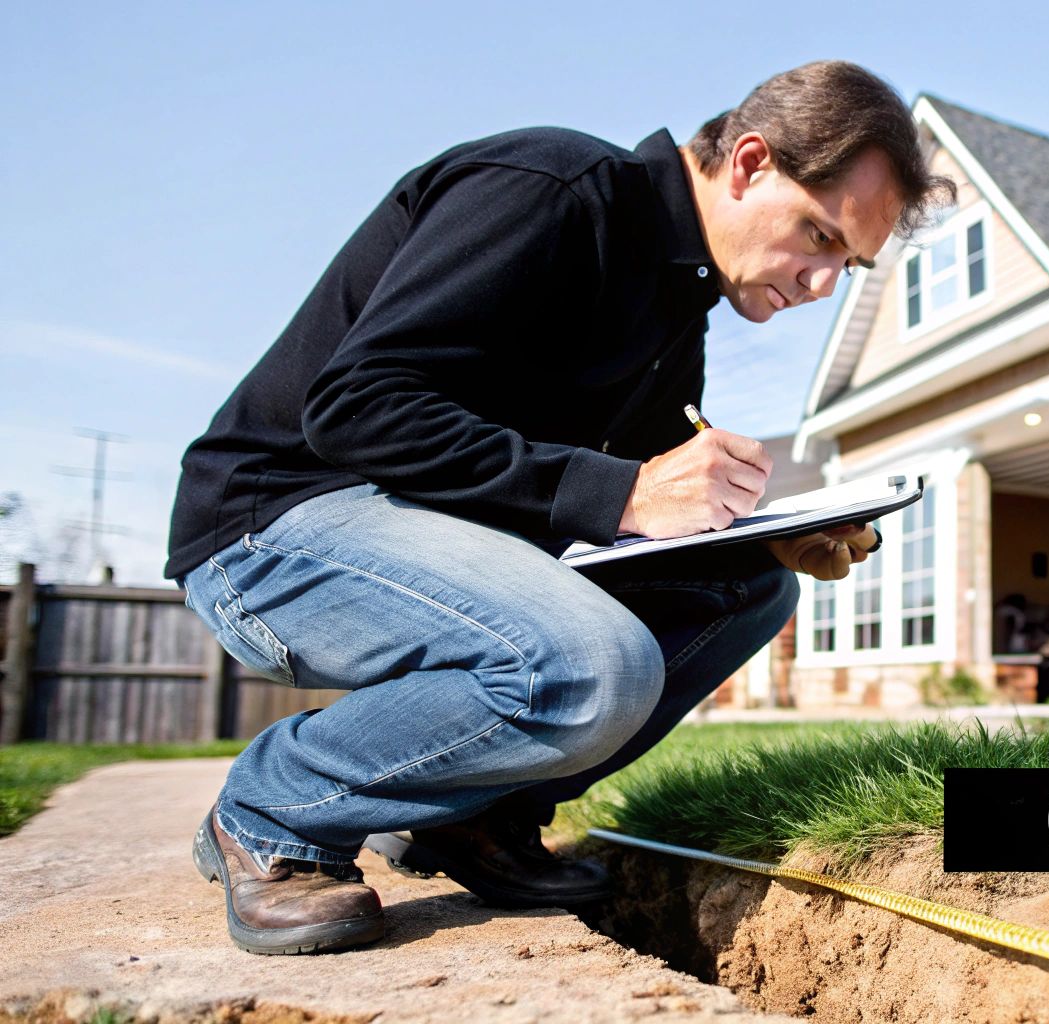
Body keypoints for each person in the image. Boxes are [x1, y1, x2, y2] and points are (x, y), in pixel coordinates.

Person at [166, 61, 954, 955]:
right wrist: (625, 489)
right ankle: (275, 812)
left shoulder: (673, 313)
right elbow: (354, 407)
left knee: (747, 594)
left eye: (845, 268)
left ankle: (478, 814)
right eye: (818, 235)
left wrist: (763, 544)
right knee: (590, 665)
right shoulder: (552, 191)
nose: (820, 285)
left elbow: (621, 524)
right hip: (274, 528)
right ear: (748, 162)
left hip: (421, 537)